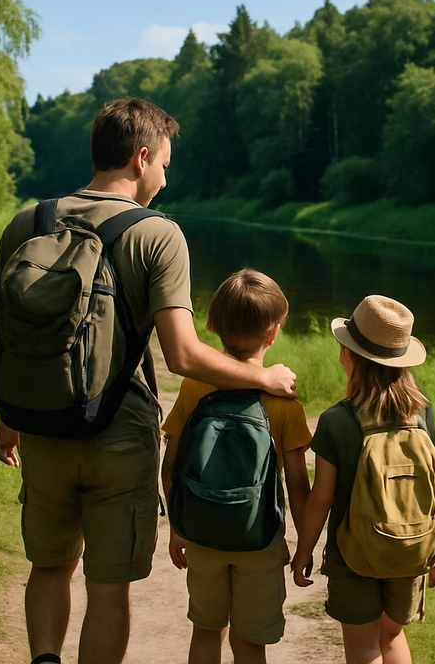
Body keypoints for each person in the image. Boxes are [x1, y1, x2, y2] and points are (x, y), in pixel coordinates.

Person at [0, 97, 297, 664]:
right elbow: (183, 355)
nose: (166, 178)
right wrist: (262, 376)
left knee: (48, 566)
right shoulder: (157, 234)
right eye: (166, 165)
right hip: (118, 432)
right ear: (141, 157)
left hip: (43, 426)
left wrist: (11, 415)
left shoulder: (29, 221)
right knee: (108, 586)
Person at [161, 268, 312, 664]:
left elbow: (171, 465)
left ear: (213, 327)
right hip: (259, 542)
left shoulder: (195, 386)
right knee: (249, 643)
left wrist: (179, 526)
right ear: (273, 333)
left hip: (204, 537)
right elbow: (298, 486)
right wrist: (305, 545)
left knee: (206, 630)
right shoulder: (283, 402)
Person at [291, 295, 435, 664]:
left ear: (350, 355)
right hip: (410, 549)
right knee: (392, 637)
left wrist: (303, 551)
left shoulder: (337, 421)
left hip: (354, 554)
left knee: (363, 646)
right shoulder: (422, 411)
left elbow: (321, 499)